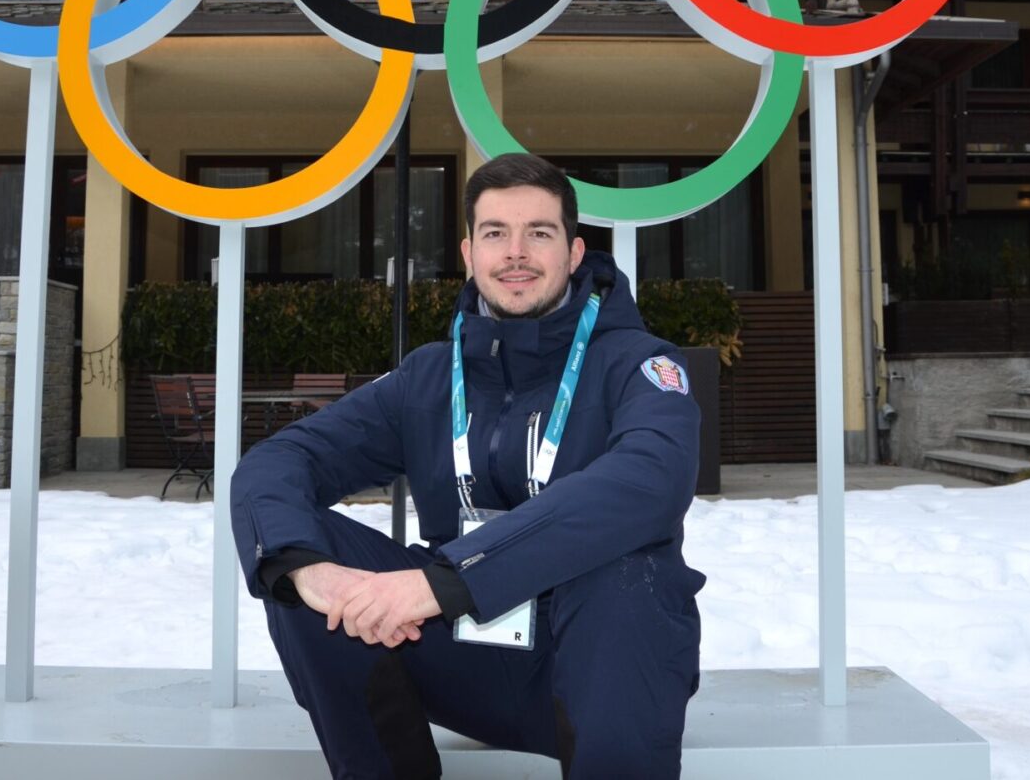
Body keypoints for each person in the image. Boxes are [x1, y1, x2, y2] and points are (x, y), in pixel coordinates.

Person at [231, 152, 706, 779]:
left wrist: (447, 580)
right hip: (459, 654)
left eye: (539, 232)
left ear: (573, 252)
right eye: (495, 233)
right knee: (296, 556)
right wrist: (314, 575)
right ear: (468, 253)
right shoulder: (429, 377)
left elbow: (650, 480)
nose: (516, 252)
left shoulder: (638, 365)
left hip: (600, 672)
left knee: (626, 570)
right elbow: (280, 461)